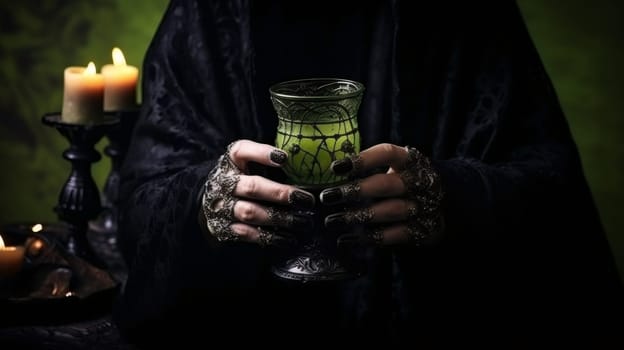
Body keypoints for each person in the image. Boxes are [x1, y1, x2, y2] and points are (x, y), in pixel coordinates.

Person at [114, 0, 623, 346]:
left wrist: (452, 197)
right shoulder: (207, 15)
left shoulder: (467, 12)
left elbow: (554, 205)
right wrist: (210, 201)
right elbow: (139, 206)